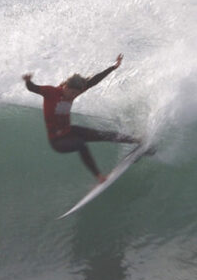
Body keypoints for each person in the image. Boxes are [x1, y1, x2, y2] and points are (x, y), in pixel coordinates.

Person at [23, 53, 140, 183]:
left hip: (69, 130)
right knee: (81, 144)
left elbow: (94, 80)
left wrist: (113, 67)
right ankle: (99, 176)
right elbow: (33, 88)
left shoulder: (74, 91)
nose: (73, 96)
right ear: (66, 87)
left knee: (103, 135)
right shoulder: (51, 92)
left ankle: (137, 140)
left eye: (76, 94)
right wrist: (28, 81)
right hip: (57, 140)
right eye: (72, 93)